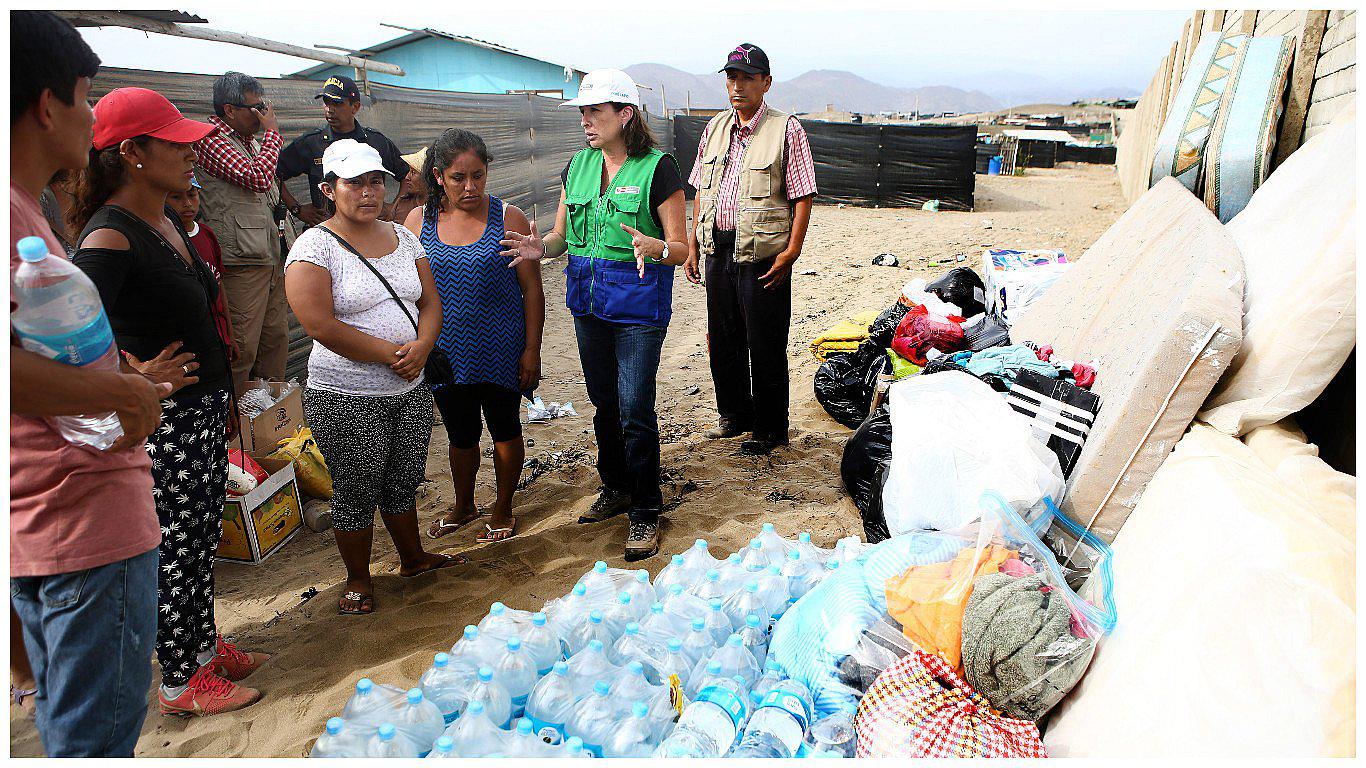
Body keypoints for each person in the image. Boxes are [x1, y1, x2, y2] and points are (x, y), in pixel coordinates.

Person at [69, 86, 270, 717]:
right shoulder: (110, 238)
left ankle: (203, 646)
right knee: (178, 542)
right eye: (176, 143)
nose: (193, 153)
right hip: (169, 420)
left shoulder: (161, 220)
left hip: (203, 409)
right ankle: (182, 680)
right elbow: (64, 336)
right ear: (133, 152)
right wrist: (134, 373)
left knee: (202, 531)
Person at [8, 11, 167, 755]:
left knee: (72, 727)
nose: (90, 121)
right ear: (48, 104)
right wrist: (122, 395)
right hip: (82, 518)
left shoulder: (26, 214)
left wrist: (112, 376)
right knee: (92, 742)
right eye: (85, 99)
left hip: (47, 518)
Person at [502, 69, 687, 561]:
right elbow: (563, 236)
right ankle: (617, 487)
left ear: (625, 114)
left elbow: (682, 249)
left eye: (595, 112)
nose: (585, 121)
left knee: (634, 409)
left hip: (638, 312)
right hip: (588, 307)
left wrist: (656, 246)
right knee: (604, 404)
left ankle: (646, 508)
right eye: (582, 112)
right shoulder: (578, 166)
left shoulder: (658, 168)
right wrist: (539, 248)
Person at [285, 139, 463, 615]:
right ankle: (358, 580)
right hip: (347, 393)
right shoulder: (314, 247)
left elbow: (428, 301)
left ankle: (412, 557)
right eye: (354, 183)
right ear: (328, 189)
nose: (368, 192)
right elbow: (320, 324)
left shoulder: (404, 238)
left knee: (404, 477)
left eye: (374, 182)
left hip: (409, 384)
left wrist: (423, 347)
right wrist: (394, 354)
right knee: (357, 485)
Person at [404, 129, 545, 544]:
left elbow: (531, 290)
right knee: (459, 433)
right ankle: (464, 503)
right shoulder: (419, 222)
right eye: (458, 177)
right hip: (445, 351)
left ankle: (503, 507)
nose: (470, 187)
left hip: (501, 348)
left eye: (478, 176)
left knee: (505, 428)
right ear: (438, 176)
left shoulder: (508, 218)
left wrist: (531, 350)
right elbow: (411, 291)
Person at [685, 43, 817, 456]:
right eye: (731, 77)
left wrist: (792, 250)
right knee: (723, 338)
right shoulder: (714, 129)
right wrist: (692, 243)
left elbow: (803, 196)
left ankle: (770, 428)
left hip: (765, 256)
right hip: (718, 250)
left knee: (764, 342)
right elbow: (700, 193)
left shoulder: (785, 129)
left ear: (766, 82)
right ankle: (735, 415)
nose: (737, 85)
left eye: (746, 77)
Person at [193, 71, 294, 396]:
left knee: (275, 341)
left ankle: (273, 426)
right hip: (241, 260)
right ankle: (232, 428)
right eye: (255, 107)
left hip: (268, 253)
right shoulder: (210, 138)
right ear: (229, 109)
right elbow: (256, 179)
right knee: (242, 348)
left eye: (263, 106)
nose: (262, 114)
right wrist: (274, 135)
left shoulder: (248, 142)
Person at [278, 75, 409, 228]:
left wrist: (394, 209)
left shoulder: (376, 142)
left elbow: (408, 175)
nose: (329, 109)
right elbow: (274, 174)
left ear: (355, 107)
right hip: (328, 232)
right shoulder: (311, 143)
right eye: (326, 102)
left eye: (337, 103)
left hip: (369, 230)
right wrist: (296, 208)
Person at [168, 177, 239, 363]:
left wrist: (229, 334)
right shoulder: (165, 240)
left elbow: (219, 285)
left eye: (192, 195)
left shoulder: (207, 234)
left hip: (218, 334)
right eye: (176, 197)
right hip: (189, 344)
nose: (187, 204)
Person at [384, 148, 429, 225]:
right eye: (409, 171)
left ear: (427, 177)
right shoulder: (402, 203)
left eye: (413, 172)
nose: (407, 177)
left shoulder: (443, 206)